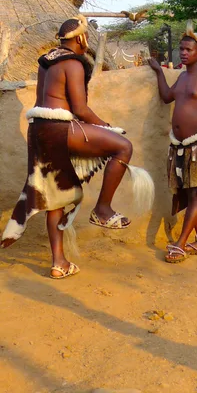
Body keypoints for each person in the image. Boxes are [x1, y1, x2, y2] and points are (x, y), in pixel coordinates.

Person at [1, 15, 153, 279]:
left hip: (39, 130)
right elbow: (80, 109)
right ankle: (102, 209)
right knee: (122, 147)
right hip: (59, 128)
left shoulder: (47, 62)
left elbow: (48, 99)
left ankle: (59, 263)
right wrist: (105, 127)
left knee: (56, 196)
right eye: (86, 38)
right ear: (81, 38)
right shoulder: (73, 63)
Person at [149, 21, 197, 263]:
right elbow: (167, 96)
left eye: (188, 50)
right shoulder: (181, 78)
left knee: (195, 197)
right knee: (190, 195)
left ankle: (180, 243)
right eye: (181, 49)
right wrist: (159, 72)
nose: (183, 53)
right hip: (179, 146)